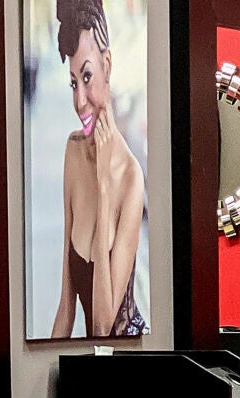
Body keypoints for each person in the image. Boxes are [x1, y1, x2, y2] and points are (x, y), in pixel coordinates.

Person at [49, 0, 148, 338]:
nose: (80, 101)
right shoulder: (73, 152)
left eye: (87, 76)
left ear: (107, 65)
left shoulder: (132, 179)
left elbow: (104, 327)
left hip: (126, 361)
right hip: (87, 369)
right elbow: (66, 307)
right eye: (73, 82)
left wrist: (104, 188)